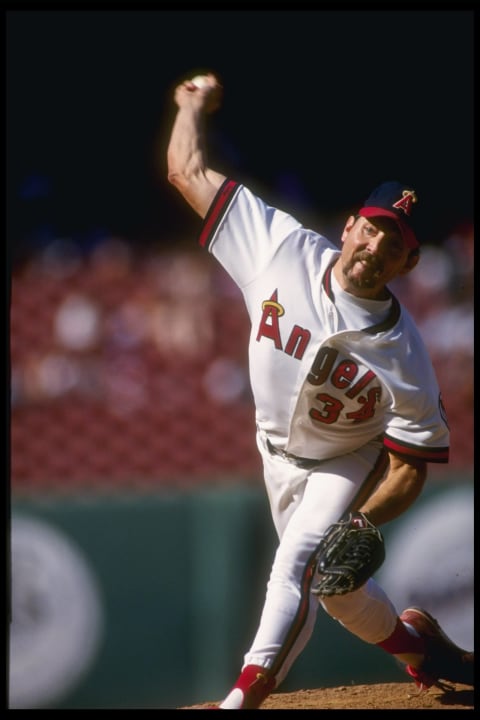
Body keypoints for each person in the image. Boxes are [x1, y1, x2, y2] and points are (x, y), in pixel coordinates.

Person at [166, 71, 474, 710]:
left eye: (398, 241)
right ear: (350, 225)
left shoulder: (405, 352)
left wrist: (364, 516)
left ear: (408, 264)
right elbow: (186, 173)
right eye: (374, 226)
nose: (379, 243)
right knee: (338, 593)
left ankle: (241, 698)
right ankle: (422, 648)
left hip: (344, 459)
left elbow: (414, 461)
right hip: (273, 448)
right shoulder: (280, 248)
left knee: (297, 564)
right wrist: (189, 105)